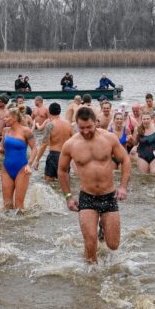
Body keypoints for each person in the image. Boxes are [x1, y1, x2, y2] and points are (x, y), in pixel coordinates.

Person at [58, 107, 130, 264]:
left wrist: (123, 186)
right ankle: (93, 281)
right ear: (76, 124)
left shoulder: (109, 139)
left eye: (88, 127)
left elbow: (125, 160)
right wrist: (68, 197)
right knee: (90, 244)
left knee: (113, 245)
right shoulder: (70, 144)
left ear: (96, 123)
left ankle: (102, 229)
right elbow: (62, 171)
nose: (85, 131)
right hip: (87, 197)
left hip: (109, 195)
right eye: (81, 127)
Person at [0, 105, 36, 211]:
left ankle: (22, 227)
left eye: (6, 117)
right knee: (7, 206)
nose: (4, 119)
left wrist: (30, 164)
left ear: (14, 118)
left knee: (19, 206)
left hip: (22, 169)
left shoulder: (26, 131)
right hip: (6, 168)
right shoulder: (5, 131)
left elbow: (34, 149)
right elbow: (2, 146)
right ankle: (8, 227)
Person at [31, 103, 72, 182]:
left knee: (48, 182)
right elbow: (74, 141)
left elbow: (44, 144)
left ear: (49, 112)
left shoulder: (50, 125)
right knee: (64, 182)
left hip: (54, 155)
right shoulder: (68, 124)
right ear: (60, 111)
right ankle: (65, 195)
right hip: (66, 156)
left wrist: (37, 160)